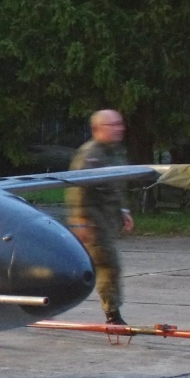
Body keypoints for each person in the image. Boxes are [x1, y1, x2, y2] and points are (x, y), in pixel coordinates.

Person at [66, 109, 135, 326]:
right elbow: (77, 188)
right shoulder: (90, 155)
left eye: (120, 124)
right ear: (97, 129)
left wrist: (124, 211)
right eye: (113, 125)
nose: (119, 129)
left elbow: (117, 185)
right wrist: (80, 221)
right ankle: (113, 315)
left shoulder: (115, 152)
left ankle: (38, 296)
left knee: (82, 269)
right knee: (109, 266)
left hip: (108, 220)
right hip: (93, 222)